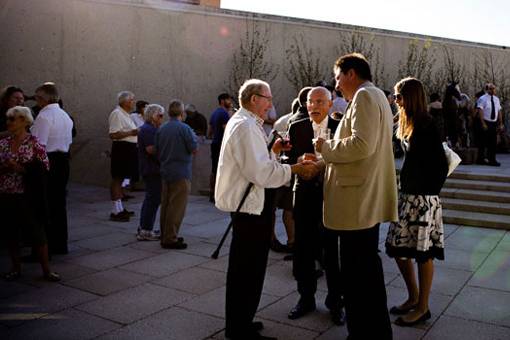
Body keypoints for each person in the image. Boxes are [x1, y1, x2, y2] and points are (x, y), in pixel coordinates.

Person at [215, 79, 313, 340]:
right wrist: (293, 169)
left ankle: (242, 321)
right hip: (250, 211)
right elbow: (259, 172)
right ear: (253, 99)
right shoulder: (246, 126)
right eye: (267, 97)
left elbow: (255, 163)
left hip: (253, 208)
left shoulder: (247, 123)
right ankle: (239, 329)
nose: (271, 102)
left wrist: (272, 149)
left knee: (248, 270)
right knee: (247, 271)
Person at [313, 53, 397, 339]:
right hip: (361, 200)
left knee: (357, 278)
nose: (336, 85)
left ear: (351, 73)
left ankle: (363, 333)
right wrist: (325, 160)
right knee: (366, 276)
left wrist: (325, 147)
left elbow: (362, 145)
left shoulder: (364, 96)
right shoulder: (374, 97)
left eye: (337, 77)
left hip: (356, 202)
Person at [385, 77, 448, 326]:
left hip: (423, 198)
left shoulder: (426, 124)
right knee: (399, 250)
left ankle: (423, 307)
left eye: (399, 96)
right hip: (408, 195)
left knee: (423, 254)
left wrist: (428, 193)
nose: (396, 101)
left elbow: (440, 164)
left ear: (410, 97)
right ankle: (413, 298)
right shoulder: (409, 122)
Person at [286, 87, 344, 325]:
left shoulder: (340, 127)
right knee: (303, 249)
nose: (314, 105)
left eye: (320, 101)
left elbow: (344, 159)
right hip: (304, 195)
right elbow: (288, 160)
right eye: (311, 101)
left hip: (331, 196)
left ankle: (335, 303)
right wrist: (298, 161)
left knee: (332, 252)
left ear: (330, 105)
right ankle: (305, 298)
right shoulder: (296, 127)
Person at [1, 106, 60, 281]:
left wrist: (20, 168)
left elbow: (45, 168)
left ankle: (46, 270)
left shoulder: (35, 143)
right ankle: (15, 268)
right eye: (8, 118)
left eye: (13, 119)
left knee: (37, 233)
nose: (9, 122)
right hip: (6, 193)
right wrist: (5, 168)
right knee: (11, 232)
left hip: (27, 195)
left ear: (25, 121)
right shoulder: (3, 144)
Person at [31, 83, 73, 255]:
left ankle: (44, 249)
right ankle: (60, 244)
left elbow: (39, 145)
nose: (36, 101)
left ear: (44, 98)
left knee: (44, 205)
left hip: (49, 162)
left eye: (37, 97)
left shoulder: (44, 116)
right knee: (58, 204)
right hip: (63, 161)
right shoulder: (64, 115)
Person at [156, 99, 197, 250]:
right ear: (182, 113)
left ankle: (165, 234)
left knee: (166, 205)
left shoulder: (162, 128)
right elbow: (193, 148)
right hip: (181, 172)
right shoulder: (184, 128)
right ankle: (170, 238)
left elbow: (157, 149)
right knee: (177, 207)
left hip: (166, 170)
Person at [136, 104, 165, 241]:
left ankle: (144, 227)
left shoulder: (152, 129)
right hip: (152, 169)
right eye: (160, 115)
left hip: (152, 168)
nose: (162, 118)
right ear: (153, 116)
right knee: (153, 199)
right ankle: (145, 230)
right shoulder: (148, 129)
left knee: (152, 199)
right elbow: (151, 149)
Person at [108, 91, 138, 222]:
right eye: (131, 100)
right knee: (117, 178)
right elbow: (113, 134)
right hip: (121, 149)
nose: (133, 102)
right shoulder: (117, 113)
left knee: (121, 179)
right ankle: (115, 210)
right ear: (124, 101)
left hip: (128, 149)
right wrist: (133, 132)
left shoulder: (126, 114)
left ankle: (120, 208)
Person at [208, 93, 233, 203]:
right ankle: (219, 195)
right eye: (228, 100)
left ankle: (212, 193)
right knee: (222, 169)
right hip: (221, 145)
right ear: (222, 101)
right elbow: (227, 130)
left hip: (214, 143)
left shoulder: (214, 113)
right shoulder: (224, 113)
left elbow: (209, 132)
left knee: (214, 169)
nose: (230, 102)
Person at [476, 83, 504, 166]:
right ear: (487, 89)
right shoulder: (482, 98)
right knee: (483, 142)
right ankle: (480, 159)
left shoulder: (496, 99)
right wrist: (483, 123)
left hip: (493, 122)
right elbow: (480, 111)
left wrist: (501, 123)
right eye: (491, 89)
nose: (493, 90)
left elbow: (499, 111)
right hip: (486, 121)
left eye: (494, 88)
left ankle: (492, 160)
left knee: (493, 142)